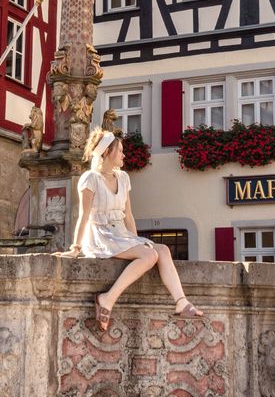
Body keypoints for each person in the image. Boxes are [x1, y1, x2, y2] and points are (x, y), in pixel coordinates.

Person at [56, 128, 203, 331]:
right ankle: (107, 298)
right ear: (107, 153)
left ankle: (181, 302)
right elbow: (83, 215)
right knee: (149, 256)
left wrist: (136, 241)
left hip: (120, 234)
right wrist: (75, 247)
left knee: (162, 250)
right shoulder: (90, 179)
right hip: (100, 235)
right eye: (120, 150)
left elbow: (129, 215)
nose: (124, 155)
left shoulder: (123, 178)